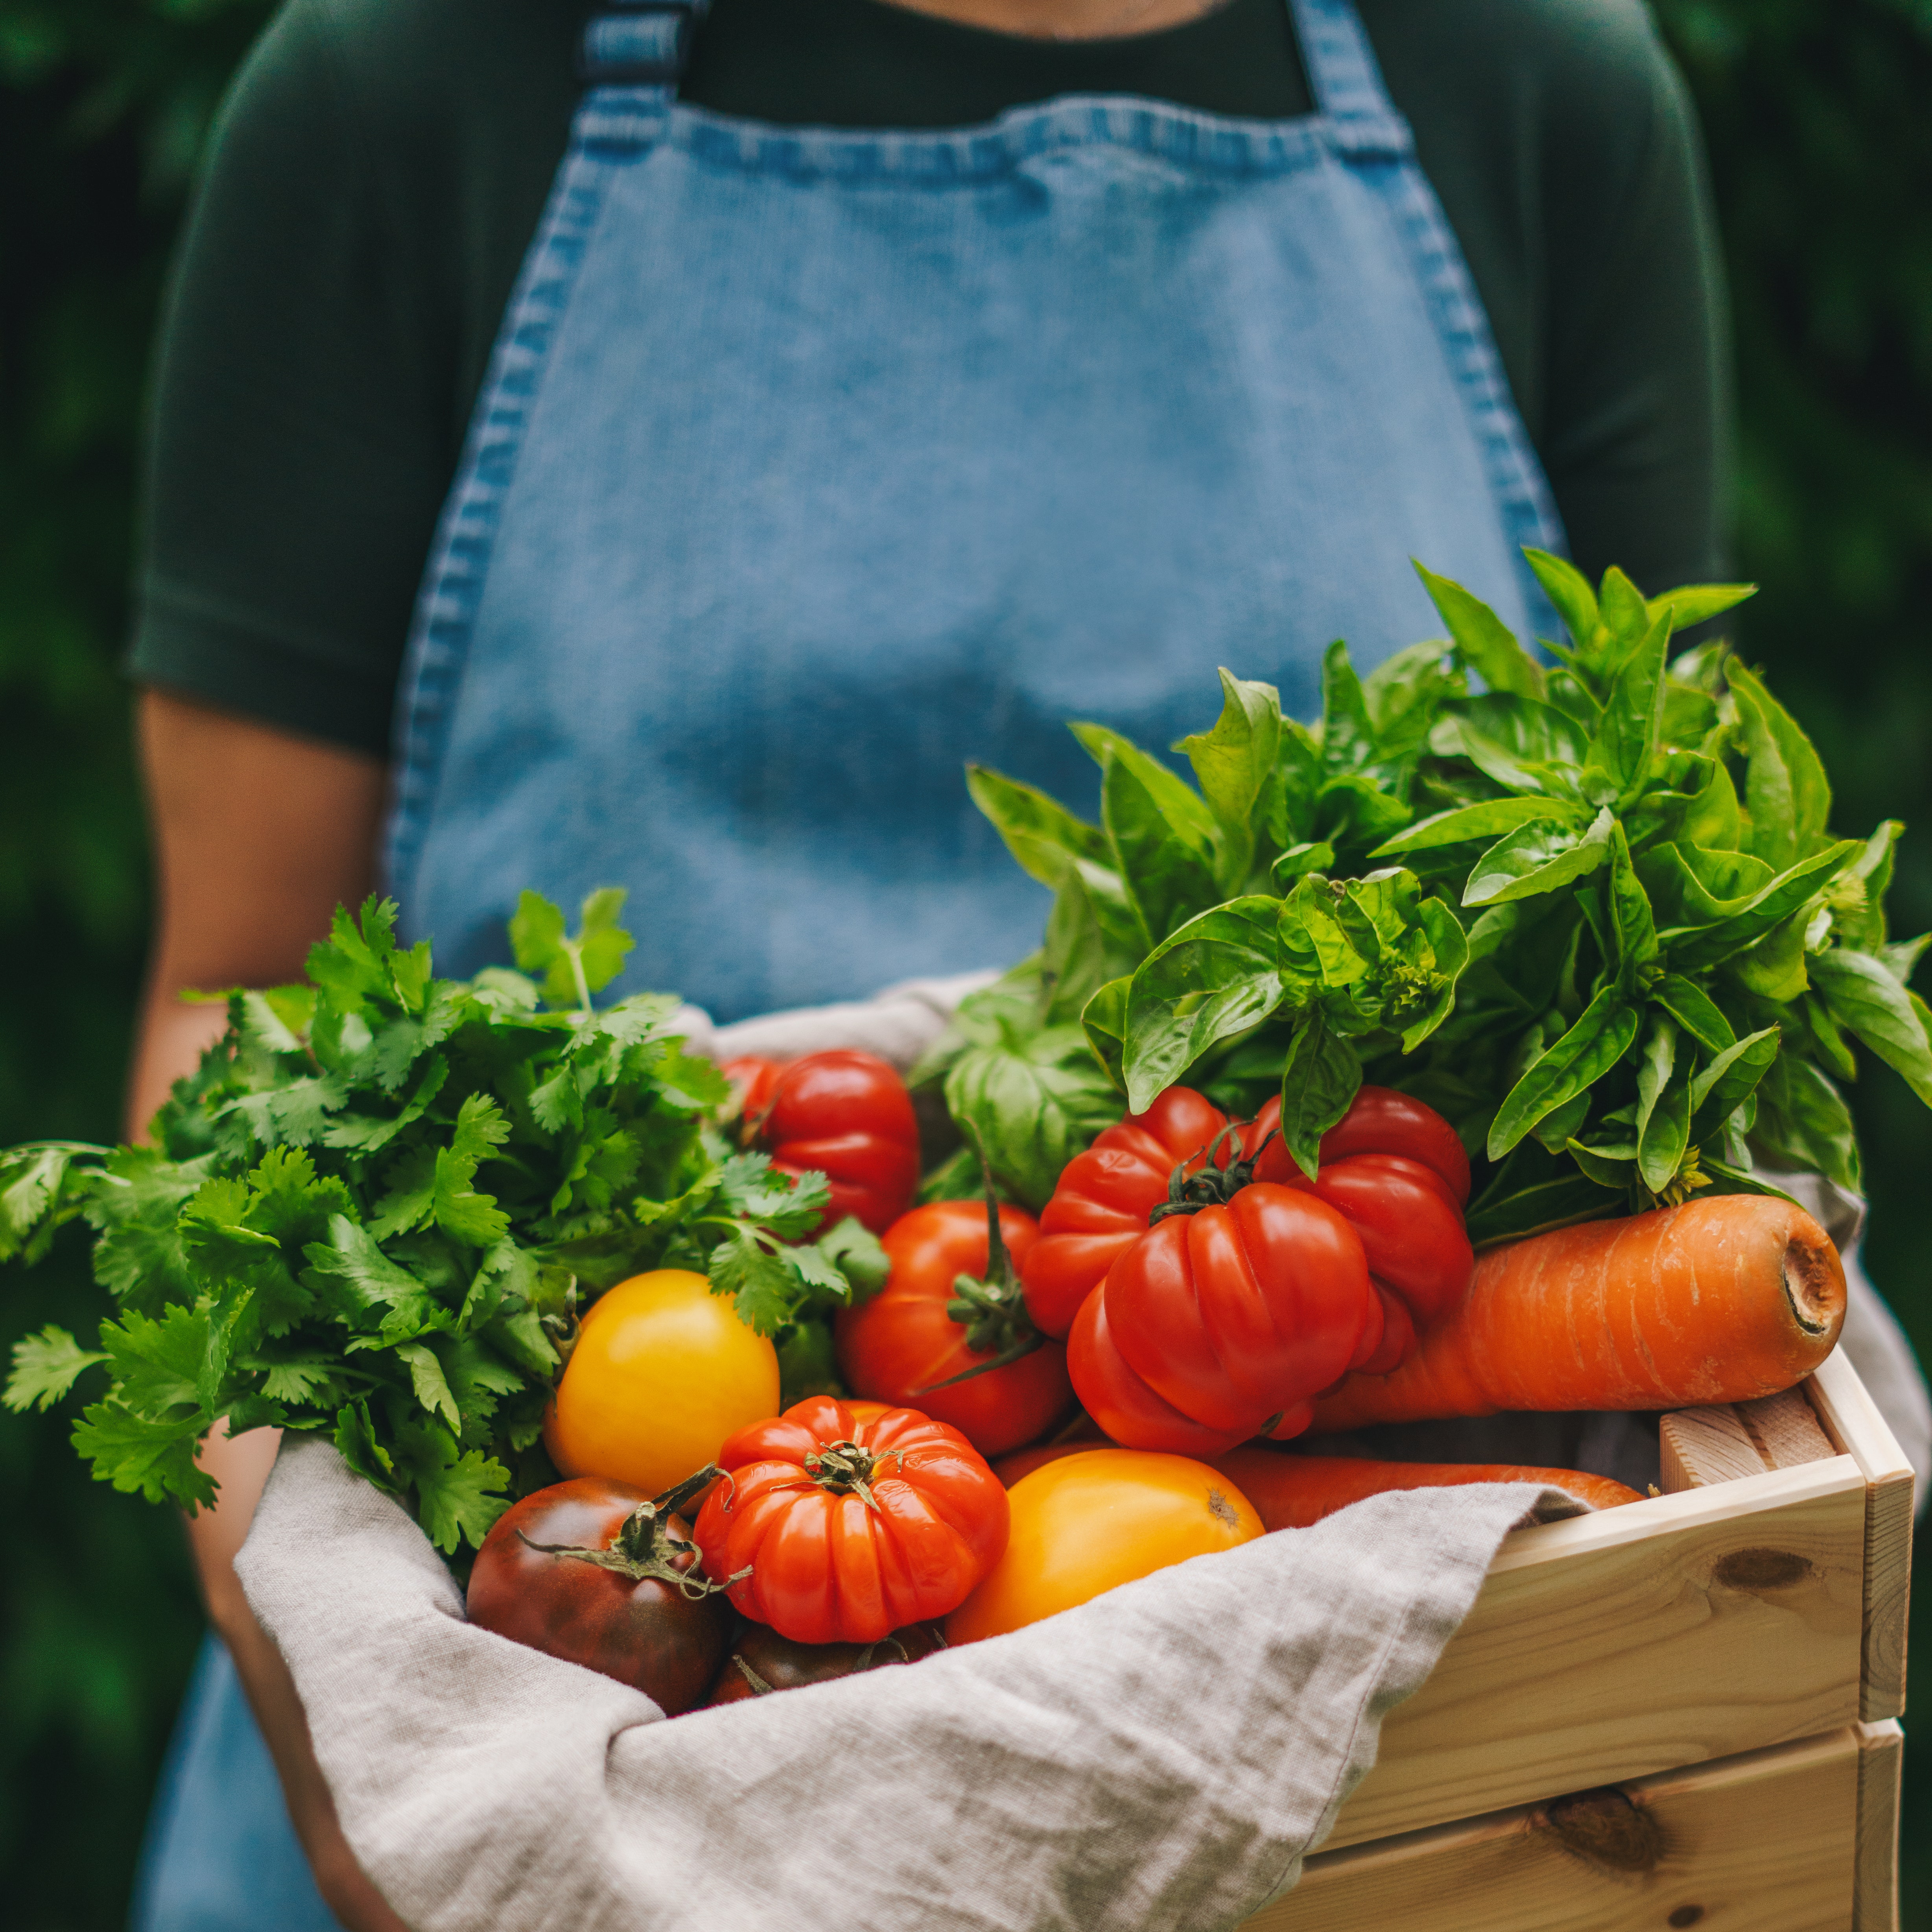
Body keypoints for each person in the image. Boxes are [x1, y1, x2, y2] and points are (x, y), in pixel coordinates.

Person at [121, 0, 1732, 1925]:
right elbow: (244, 993)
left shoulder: (1533, 84)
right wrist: (310, 1662)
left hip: (1401, 1793)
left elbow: (1636, 896)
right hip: (529, 1699)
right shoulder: (410, 81)